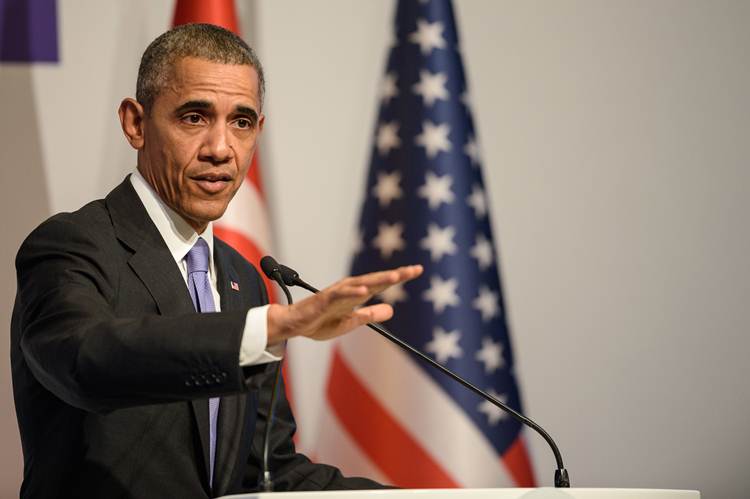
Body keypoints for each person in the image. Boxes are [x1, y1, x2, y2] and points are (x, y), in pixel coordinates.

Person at [11, 23, 422, 499]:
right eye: (193, 117)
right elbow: (85, 362)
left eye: (241, 122)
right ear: (135, 123)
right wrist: (263, 331)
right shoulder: (72, 244)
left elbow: (265, 470)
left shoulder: (241, 280)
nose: (221, 149)